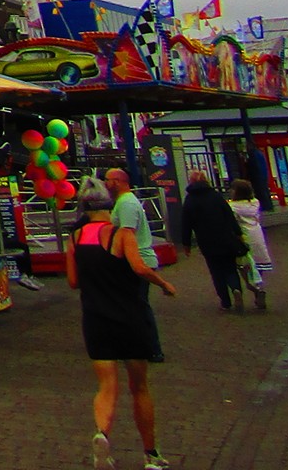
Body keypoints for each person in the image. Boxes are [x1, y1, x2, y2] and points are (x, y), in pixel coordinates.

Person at [67, 178, 176, 470]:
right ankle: (151, 454)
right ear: (109, 205)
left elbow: (73, 281)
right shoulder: (121, 234)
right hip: (129, 316)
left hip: (95, 318)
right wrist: (164, 284)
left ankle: (102, 434)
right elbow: (139, 268)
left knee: (106, 386)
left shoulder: (75, 239)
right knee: (139, 387)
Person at [175, 171, 247, 311]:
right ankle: (236, 288)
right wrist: (238, 234)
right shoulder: (215, 195)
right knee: (230, 268)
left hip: (206, 241)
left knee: (216, 271)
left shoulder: (190, 200)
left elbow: (186, 224)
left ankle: (225, 302)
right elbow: (229, 216)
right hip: (225, 238)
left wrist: (186, 244)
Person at [225, 177, 271, 311]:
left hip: (243, 237)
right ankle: (259, 288)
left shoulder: (232, 207)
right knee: (259, 265)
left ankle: (254, 289)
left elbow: (232, 223)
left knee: (244, 266)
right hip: (257, 235)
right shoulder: (255, 203)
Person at [104, 166, 158, 270]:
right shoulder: (123, 201)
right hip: (135, 261)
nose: (104, 184)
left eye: (106, 180)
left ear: (117, 182)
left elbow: (128, 236)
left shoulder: (126, 203)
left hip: (139, 261)